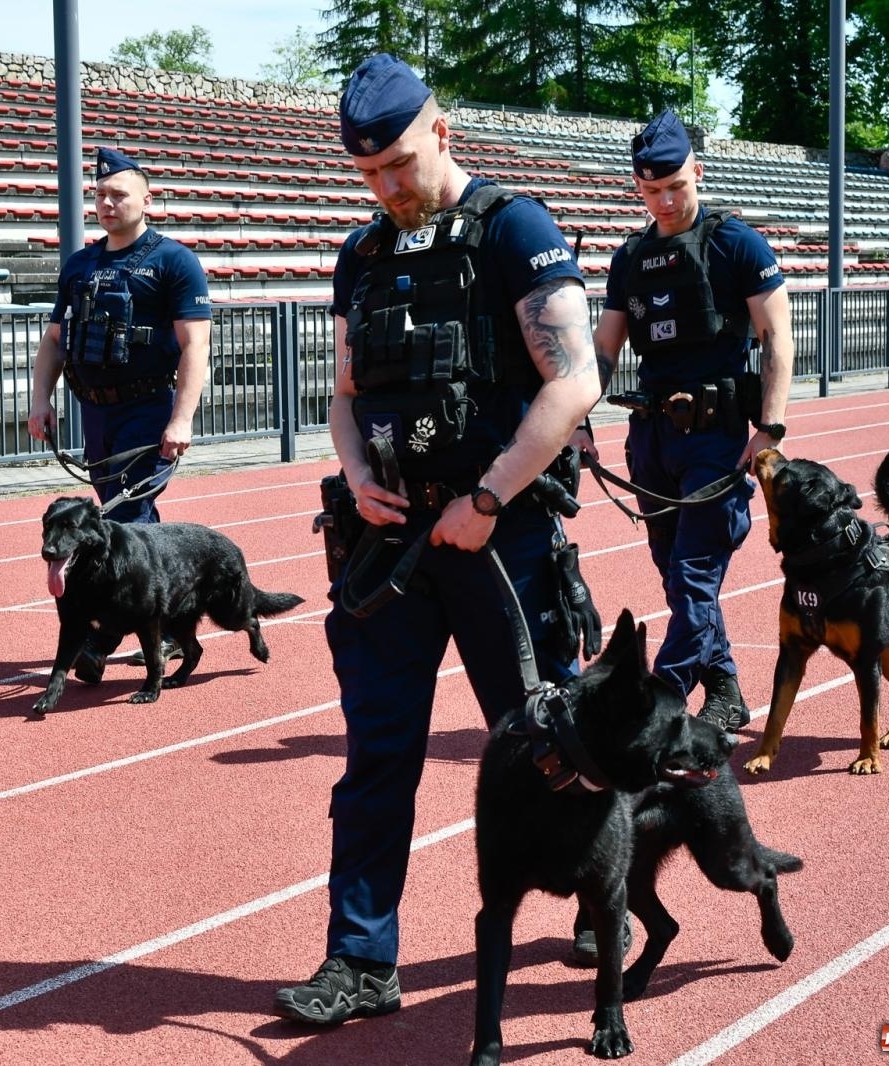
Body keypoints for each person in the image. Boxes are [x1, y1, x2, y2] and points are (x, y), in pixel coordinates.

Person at [273, 54, 601, 1025]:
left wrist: (492, 497)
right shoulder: (360, 257)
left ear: (442, 132)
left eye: (399, 166)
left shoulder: (514, 231)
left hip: (503, 541)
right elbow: (342, 397)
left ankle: (596, 889)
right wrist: (359, 474)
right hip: (391, 549)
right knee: (377, 754)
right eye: (366, 175)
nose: (384, 188)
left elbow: (572, 381)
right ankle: (360, 960)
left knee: (549, 740)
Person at [584, 108, 793, 745]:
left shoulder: (737, 244)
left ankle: (662, 706)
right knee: (676, 574)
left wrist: (771, 429)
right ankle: (726, 691)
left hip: (717, 438)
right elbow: (604, 348)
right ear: (638, 189)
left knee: (695, 573)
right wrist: (575, 422)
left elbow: (777, 335)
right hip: (651, 440)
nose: (667, 200)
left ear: (696, 171)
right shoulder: (632, 257)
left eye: (676, 184)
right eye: (652, 190)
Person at [27, 146, 212, 676]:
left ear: (147, 199)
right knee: (128, 524)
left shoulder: (174, 262)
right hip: (95, 414)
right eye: (100, 195)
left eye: (118, 194)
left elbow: (195, 346)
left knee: (123, 518)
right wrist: (41, 400)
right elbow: (55, 342)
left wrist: (182, 418)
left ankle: (98, 641)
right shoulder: (80, 264)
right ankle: (169, 621)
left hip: (147, 412)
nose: (107, 203)